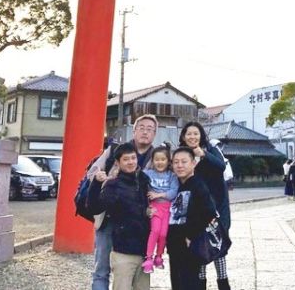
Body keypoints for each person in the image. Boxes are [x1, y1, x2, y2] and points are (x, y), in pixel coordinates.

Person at [88, 114, 158, 290]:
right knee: (102, 267)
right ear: (133, 130)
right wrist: (107, 182)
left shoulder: (158, 156)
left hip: (136, 225)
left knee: (134, 273)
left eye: (150, 129)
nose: (145, 132)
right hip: (109, 217)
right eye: (141, 127)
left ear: (155, 134)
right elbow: (93, 172)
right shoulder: (115, 151)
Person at [179, 121, 231, 290]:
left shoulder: (211, 149)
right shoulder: (182, 153)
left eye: (196, 133)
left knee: (218, 247)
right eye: (189, 134)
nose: (192, 137)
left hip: (217, 207)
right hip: (195, 209)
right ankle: (200, 285)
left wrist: (203, 154)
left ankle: (223, 284)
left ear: (201, 135)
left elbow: (221, 167)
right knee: (199, 247)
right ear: (183, 136)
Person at [167, 147, 217, 290]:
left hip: (190, 244)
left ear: (193, 163)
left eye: (184, 162)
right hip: (174, 243)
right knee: (177, 283)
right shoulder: (176, 185)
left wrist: (191, 235)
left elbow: (209, 212)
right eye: (176, 162)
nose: (180, 165)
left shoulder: (198, 185)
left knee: (189, 283)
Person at [142, 143, 179, 273]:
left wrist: (159, 194)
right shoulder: (147, 173)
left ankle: (159, 256)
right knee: (155, 231)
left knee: (164, 234)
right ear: (152, 160)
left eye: (163, 159)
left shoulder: (172, 175)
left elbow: (174, 192)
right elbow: (138, 180)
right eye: (157, 159)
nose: (159, 162)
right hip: (155, 207)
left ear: (168, 161)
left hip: (167, 208)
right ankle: (148, 258)